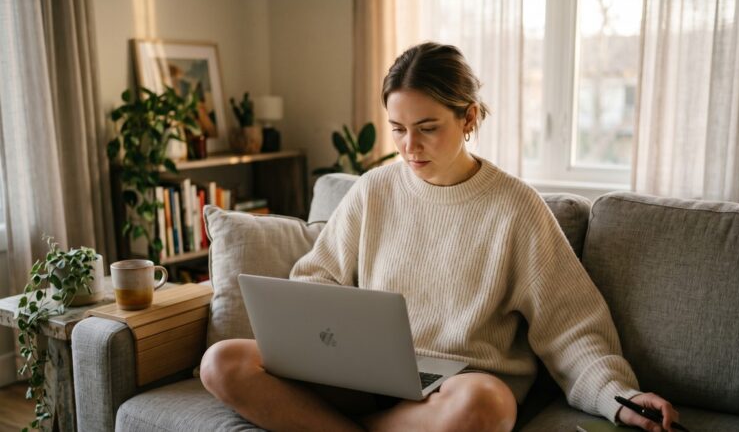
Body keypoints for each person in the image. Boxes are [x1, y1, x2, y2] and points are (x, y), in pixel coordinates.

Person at [200, 42, 680, 432]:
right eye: (398, 129)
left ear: (468, 118)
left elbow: (571, 327)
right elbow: (315, 280)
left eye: (428, 128)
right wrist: (318, 346)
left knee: (486, 406)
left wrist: (620, 397)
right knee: (221, 362)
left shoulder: (516, 208)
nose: (410, 146)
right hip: (359, 373)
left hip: (454, 387)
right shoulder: (374, 189)